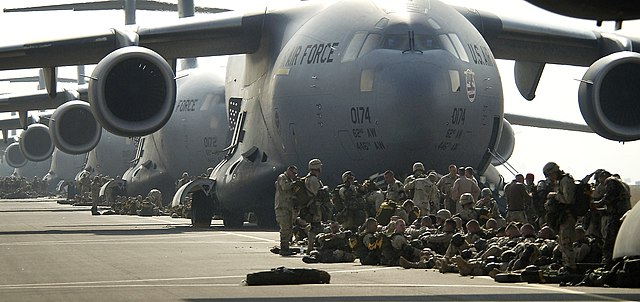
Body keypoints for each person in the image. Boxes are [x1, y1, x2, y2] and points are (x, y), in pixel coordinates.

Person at [543, 162, 577, 273]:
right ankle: (566, 264)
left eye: (550, 175)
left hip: (567, 215)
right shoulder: (559, 181)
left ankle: (570, 267)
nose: (550, 178)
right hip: (562, 217)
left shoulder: (565, 180)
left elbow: (568, 199)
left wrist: (554, 195)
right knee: (562, 242)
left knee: (566, 241)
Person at [592, 175, 631, 267]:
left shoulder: (610, 181)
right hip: (621, 216)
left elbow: (608, 198)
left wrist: (596, 204)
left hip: (616, 218)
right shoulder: (620, 187)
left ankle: (609, 263)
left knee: (609, 242)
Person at [274, 165, 298, 256]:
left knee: (289, 228)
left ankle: (286, 247)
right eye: (293, 173)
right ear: (288, 171)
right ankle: (284, 248)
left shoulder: (291, 180)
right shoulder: (282, 177)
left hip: (288, 207)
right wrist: (295, 184)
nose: (294, 175)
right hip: (282, 207)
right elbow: (285, 187)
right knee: (285, 228)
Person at [304, 159, 324, 253]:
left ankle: (312, 247)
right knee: (315, 226)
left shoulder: (308, 178)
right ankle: (310, 248)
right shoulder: (313, 180)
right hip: (315, 206)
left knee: (315, 226)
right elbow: (317, 193)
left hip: (312, 205)